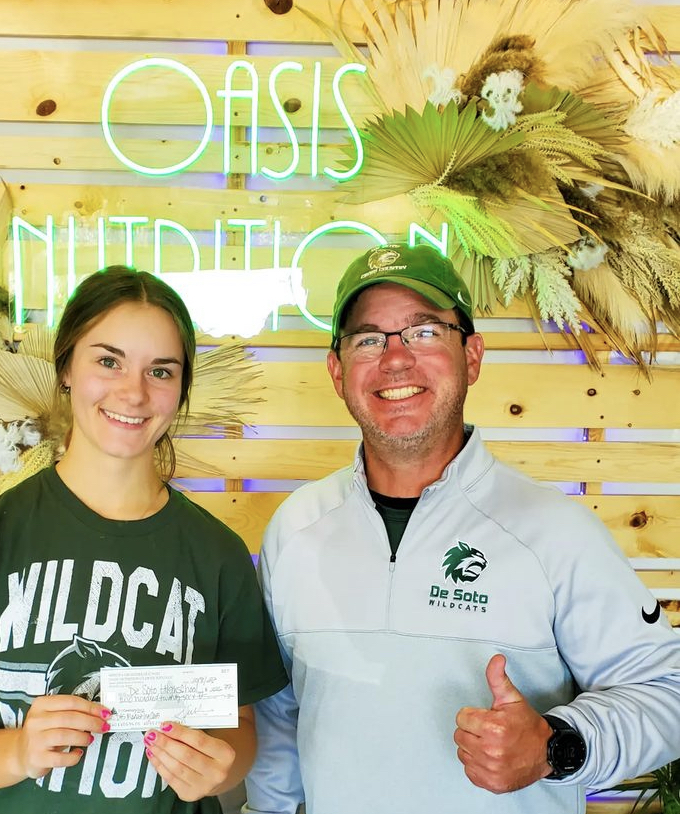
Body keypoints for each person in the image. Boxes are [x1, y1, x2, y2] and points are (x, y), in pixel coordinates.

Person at [243, 243, 680, 814]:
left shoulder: (555, 531)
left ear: (472, 356)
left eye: (424, 332)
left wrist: (558, 745)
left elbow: (666, 691)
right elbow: (279, 720)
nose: (395, 359)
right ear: (337, 370)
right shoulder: (294, 528)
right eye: (369, 339)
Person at [0, 266, 288, 814]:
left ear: (181, 388)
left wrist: (217, 769)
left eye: (161, 371)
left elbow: (237, 729)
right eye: (108, 360)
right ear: (67, 366)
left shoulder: (217, 555)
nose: (134, 392)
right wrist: (17, 751)